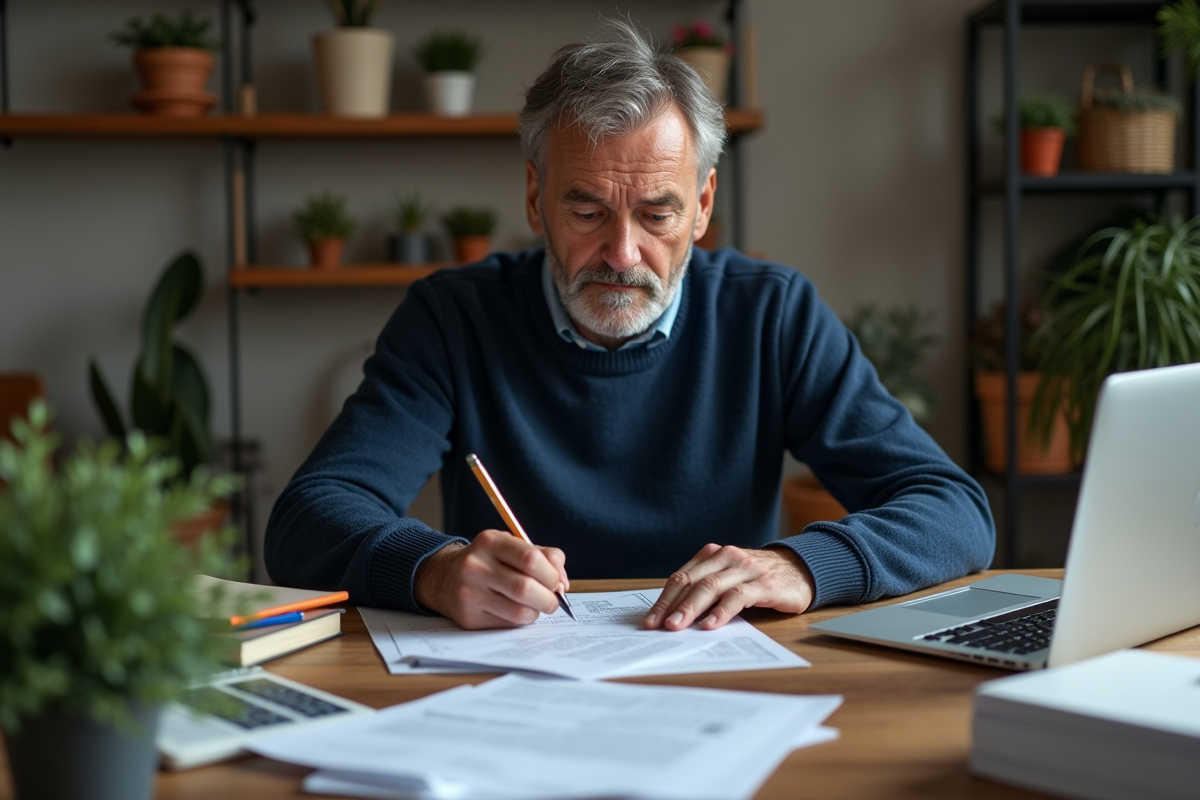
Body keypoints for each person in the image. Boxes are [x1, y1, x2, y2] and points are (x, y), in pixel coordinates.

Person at [264, 21, 994, 632]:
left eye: (657, 214)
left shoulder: (771, 313)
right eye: (586, 211)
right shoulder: (453, 318)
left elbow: (954, 511)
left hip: (727, 682)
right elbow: (307, 522)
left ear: (703, 206)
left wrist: (804, 565)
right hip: (516, 692)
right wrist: (433, 569)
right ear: (534, 196)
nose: (621, 253)